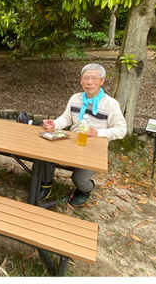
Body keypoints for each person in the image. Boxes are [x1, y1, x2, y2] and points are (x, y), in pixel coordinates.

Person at [39, 63, 126, 206]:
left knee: (79, 179)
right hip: (71, 142)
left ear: (102, 81)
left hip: (93, 148)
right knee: (43, 156)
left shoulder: (111, 104)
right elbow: (66, 118)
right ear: (81, 80)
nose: (89, 82)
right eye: (86, 78)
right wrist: (54, 124)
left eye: (94, 78)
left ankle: (85, 189)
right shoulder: (75, 98)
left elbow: (121, 130)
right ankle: (46, 185)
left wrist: (97, 132)